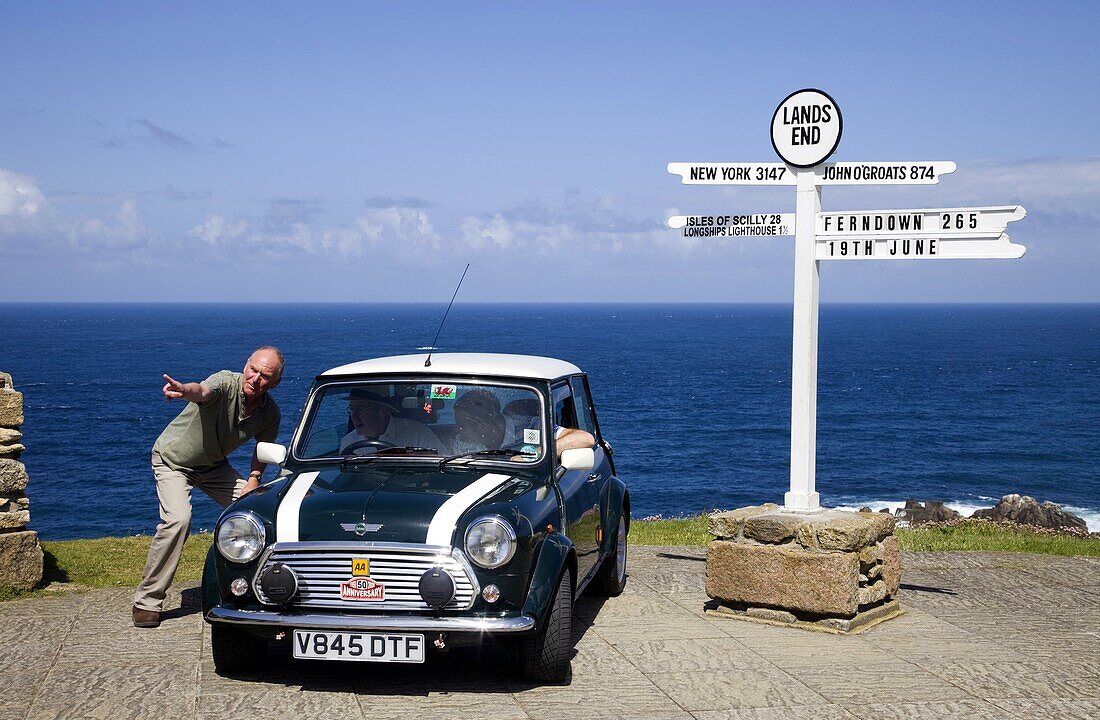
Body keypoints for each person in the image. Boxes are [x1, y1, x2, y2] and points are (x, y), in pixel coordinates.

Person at [132, 347, 284, 629]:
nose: (255, 378)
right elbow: (201, 391)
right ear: (245, 364)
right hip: (173, 460)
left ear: (274, 383)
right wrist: (183, 390)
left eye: (265, 376)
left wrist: (253, 481)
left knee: (260, 511)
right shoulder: (225, 383)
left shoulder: (269, 414)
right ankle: (147, 602)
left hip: (213, 466)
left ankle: (256, 589)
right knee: (178, 520)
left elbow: (262, 452)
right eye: (253, 370)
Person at [339, 387, 440, 453]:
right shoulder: (348, 442)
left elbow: (443, 464)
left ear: (382, 410)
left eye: (361, 409)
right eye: (352, 409)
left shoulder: (418, 434)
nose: (354, 416)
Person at [449, 389, 506, 455]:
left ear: (483, 428)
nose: (456, 429)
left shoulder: (520, 435)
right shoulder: (461, 441)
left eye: (461, 426)